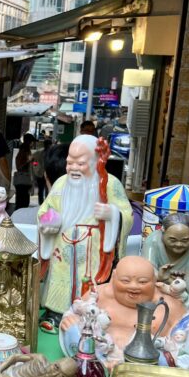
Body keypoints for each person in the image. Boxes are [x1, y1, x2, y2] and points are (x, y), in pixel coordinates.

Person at [38, 135, 133, 317]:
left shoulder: (110, 183)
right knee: (62, 278)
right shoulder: (60, 184)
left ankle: (90, 315)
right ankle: (56, 313)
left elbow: (127, 215)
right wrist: (48, 222)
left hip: (92, 245)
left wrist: (112, 214)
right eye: (69, 163)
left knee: (89, 282)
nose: (73, 168)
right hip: (63, 243)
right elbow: (45, 210)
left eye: (80, 163)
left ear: (94, 160)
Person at [141, 211, 189, 306]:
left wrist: (169, 280)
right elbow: (147, 269)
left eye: (185, 240)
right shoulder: (153, 240)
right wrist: (160, 277)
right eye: (172, 240)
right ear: (162, 231)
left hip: (185, 296)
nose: (179, 244)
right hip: (158, 290)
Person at [13, 133, 36, 210]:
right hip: (23, 180)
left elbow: (32, 164)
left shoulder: (25, 151)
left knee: (22, 201)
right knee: (22, 202)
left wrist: (33, 162)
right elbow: (19, 165)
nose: (33, 143)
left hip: (23, 180)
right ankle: (18, 218)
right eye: (32, 141)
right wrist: (29, 160)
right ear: (29, 142)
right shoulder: (23, 151)